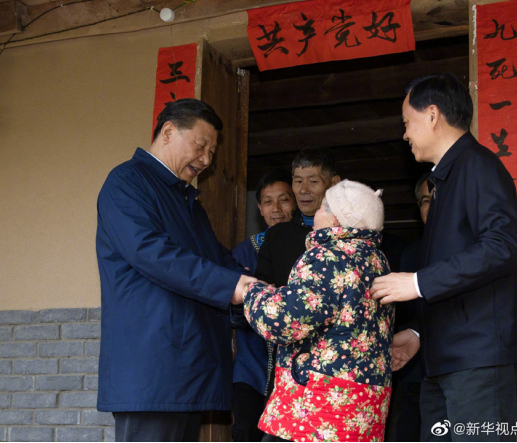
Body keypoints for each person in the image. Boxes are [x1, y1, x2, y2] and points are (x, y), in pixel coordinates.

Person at [371, 73, 517, 442]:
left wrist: (417, 282)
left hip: (480, 361)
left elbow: (502, 245)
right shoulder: (444, 179)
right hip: (445, 361)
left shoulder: (476, 164)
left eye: (407, 122)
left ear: (432, 115)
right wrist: (417, 333)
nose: (405, 134)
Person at [95, 99, 257, 442]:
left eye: (212, 152)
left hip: (187, 369)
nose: (206, 160)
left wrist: (255, 287)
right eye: (201, 146)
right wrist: (232, 285)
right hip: (152, 368)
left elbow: (216, 257)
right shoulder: (127, 182)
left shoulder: (188, 202)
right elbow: (152, 253)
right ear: (168, 132)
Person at [241, 180, 394, 442]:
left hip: (317, 408)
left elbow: (284, 322)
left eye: (323, 206)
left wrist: (251, 291)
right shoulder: (377, 260)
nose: (315, 214)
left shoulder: (327, 258)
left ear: (335, 219)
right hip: (362, 407)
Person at [254, 147, 341, 397]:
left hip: (341, 359)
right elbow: (264, 289)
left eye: (313, 181)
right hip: (292, 360)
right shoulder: (278, 235)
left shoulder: (349, 233)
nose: (303, 190)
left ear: (333, 183)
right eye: (297, 181)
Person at [232, 170, 296, 442]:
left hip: (294, 370)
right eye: (268, 202)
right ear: (259, 208)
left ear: (295, 202)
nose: (276, 209)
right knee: (245, 431)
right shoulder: (243, 252)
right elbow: (231, 310)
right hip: (251, 365)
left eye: (284, 199)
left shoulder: (308, 246)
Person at [386, 171, 432, 442]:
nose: (432, 206)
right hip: (413, 370)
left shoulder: (471, 249)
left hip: (457, 371)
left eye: (438, 199)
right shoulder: (411, 252)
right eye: (425, 200)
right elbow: (405, 313)